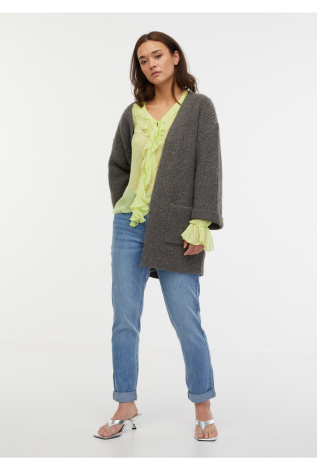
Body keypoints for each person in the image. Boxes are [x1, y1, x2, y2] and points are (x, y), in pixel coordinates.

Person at [94, 31, 223, 441]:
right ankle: (125, 402)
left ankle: (202, 404)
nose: (151, 63)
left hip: (178, 226)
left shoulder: (199, 108)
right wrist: (124, 202)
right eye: (143, 59)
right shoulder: (132, 113)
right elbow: (117, 164)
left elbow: (209, 167)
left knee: (186, 319)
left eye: (157, 55)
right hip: (129, 225)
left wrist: (201, 222)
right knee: (124, 319)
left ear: (175, 56)